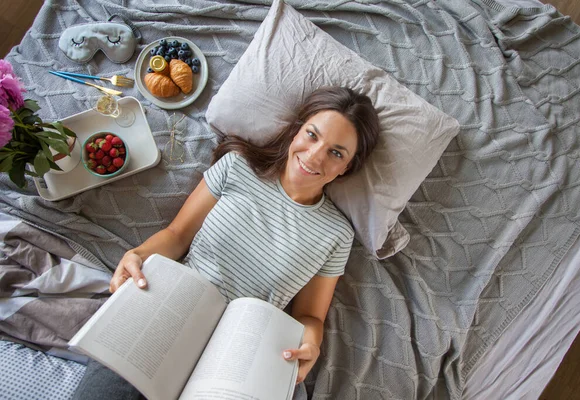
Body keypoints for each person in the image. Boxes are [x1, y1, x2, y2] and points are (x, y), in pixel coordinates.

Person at [77, 86, 379, 399]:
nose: (315, 156)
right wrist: (138, 254)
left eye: (336, 153)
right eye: (312, 135)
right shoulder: (237, 166)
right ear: (295, 131)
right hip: (170, 308)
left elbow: (310, 317)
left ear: (347, 167)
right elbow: (177, 235)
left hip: (237, 354)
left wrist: (311, 343)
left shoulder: (337, 234)